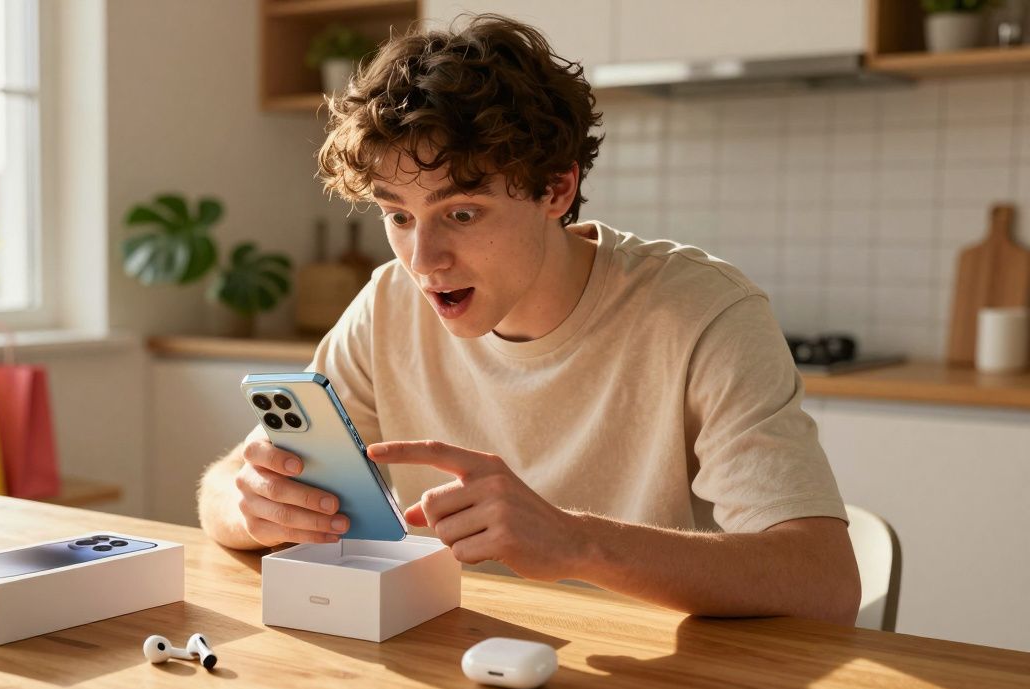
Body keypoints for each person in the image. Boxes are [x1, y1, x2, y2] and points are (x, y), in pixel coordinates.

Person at [198, 14, 861, 625]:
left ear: (556, 190)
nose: (423, 259)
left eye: (461, 212)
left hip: (655, 677)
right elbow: (224, 486)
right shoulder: (387, 305)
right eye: (399, 215)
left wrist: (576, 543)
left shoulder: (703, 312)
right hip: (455, 659)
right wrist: (254, 507)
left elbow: (824, 582)